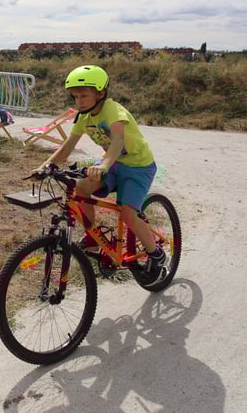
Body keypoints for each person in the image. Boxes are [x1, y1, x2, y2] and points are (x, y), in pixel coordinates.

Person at [33, 64, 167, 286]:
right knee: (81, 189)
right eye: (75, 96)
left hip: (137, 166)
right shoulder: (83, 117)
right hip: (111, 164)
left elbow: (118, 141)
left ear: (101, 93)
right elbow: (67, 147)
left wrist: (103, 166)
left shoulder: (113, 110)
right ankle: (93, 238)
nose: (79, 101)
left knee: (128, 213)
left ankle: (156, 254)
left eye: (84, 95)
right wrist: (44, 167)